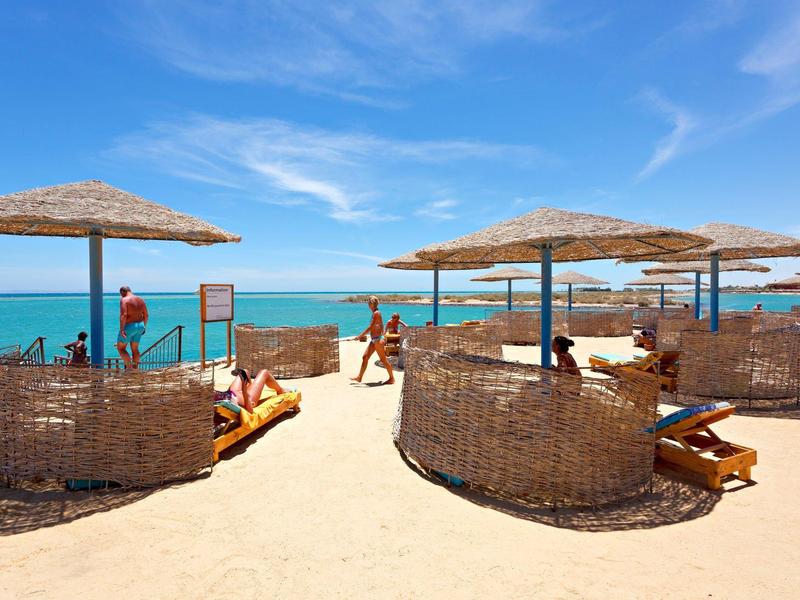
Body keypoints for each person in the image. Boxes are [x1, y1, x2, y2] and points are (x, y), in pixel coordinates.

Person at [351, 295, 395, 385]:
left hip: (378, 340)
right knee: (365, 357)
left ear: (372, 304)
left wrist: (360, 336)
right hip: (375, 339)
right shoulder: (375, 313)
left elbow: (371, 327)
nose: (368, 305)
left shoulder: (376, 313)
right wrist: (382, 333)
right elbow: (381, 324)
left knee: (383, 360)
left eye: (369, 303)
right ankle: (359, 377)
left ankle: (392, 378)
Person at [215, 368, 287, 413]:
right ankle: (280, 390)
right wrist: (244, 390)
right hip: (248, 399)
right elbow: (250, 411)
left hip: (232, 393)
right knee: (264, 372)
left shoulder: (210, 397)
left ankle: (251, 387)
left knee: (245, 372)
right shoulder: (218, 404)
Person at [117, 286, 148, 369]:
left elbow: (124, 315)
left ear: (122, 292)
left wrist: (122, 329)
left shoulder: (124, 300)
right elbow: (146, 315)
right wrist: (144, 326)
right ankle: (135, 369)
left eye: (121, 294)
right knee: (135, 349)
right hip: (140, 325)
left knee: (121, 348)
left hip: (129, 326)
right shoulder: (140, 299)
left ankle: (130, 369)